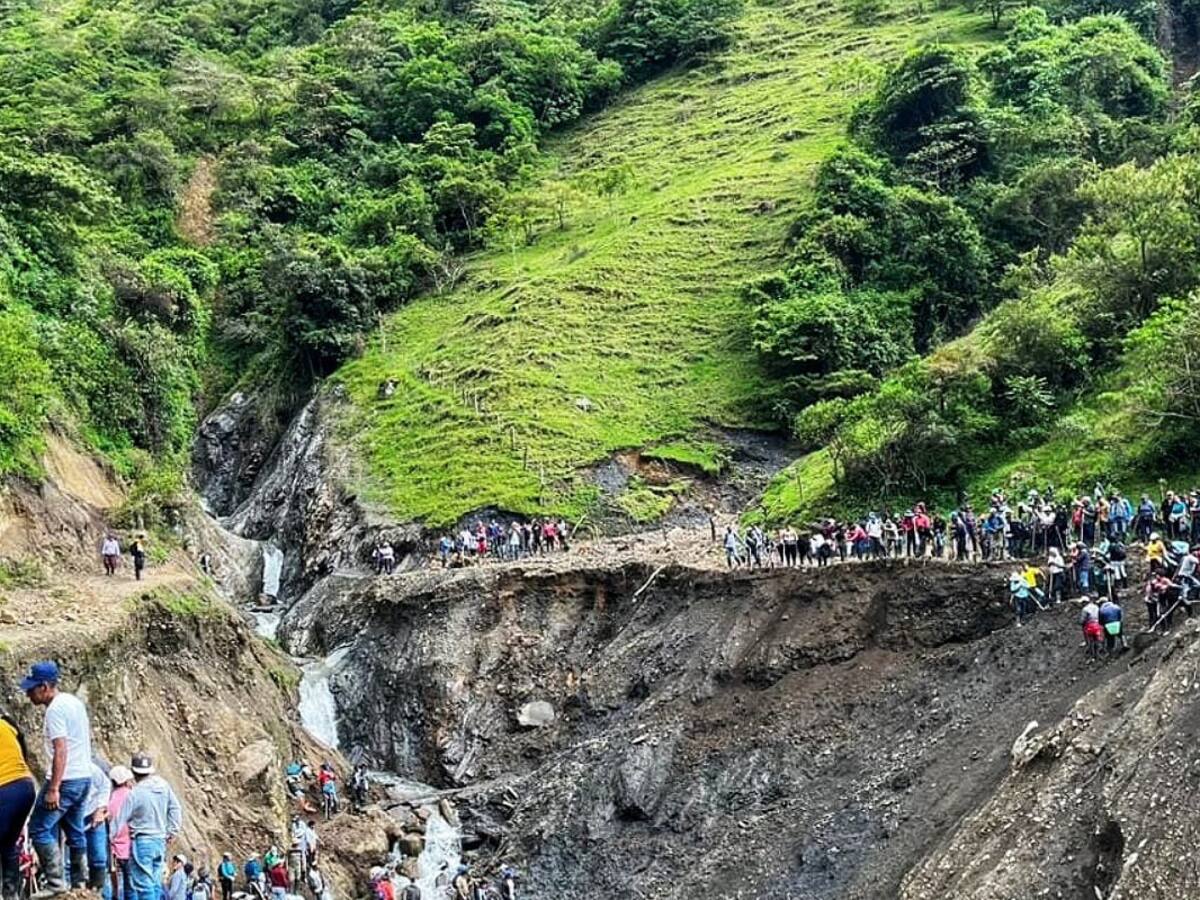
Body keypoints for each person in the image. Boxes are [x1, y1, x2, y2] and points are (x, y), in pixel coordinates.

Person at [20, 660, 93, 896]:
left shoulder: (55, 710)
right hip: (84, 777)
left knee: (39, 828)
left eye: (32, 689)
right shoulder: (74, 703)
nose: (28, 694)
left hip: (67, 779)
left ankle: (55, 883)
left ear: (44, 686)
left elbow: (61, 750)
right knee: (75, 831)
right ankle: (80, 884)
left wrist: (54, 788)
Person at [110, 753, 183, 900]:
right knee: (155, 883)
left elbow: (119, 819)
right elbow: (175, 808)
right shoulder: (163, 786)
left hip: (142, 841)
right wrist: (172, 830)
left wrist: (109, 838)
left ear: (134, 772)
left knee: (144, 886)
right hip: (159, 841)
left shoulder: (135, 793)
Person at [0, 710, 35, 900]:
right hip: (26, 788)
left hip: (5, 789)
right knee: (8, 844)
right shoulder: (7, 725)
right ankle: (10, 893)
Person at [82, 760, 112, 900]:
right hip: (71, 816)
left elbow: (105, 786)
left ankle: (99, 892)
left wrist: (100, 809)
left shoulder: (93, 770)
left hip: (93, 812)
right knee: (69, 861)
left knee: (99, 858)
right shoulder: (59, 772)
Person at [107, 766, 135, 900]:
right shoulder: (132, 795)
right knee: (130, 885)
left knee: (114, 884)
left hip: (113, 849)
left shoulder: (110, 799)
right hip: (129, 847)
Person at [1080, 596, 1103, 661]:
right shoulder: (1096, 607)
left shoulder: (1085, 609)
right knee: (1097, 639)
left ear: (1084, 602)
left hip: (1090, 626)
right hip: (1097, 624)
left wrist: (1081, 623)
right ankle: (1099, 653)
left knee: (1091, 641)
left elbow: (1082, 620)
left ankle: (1092, 656)